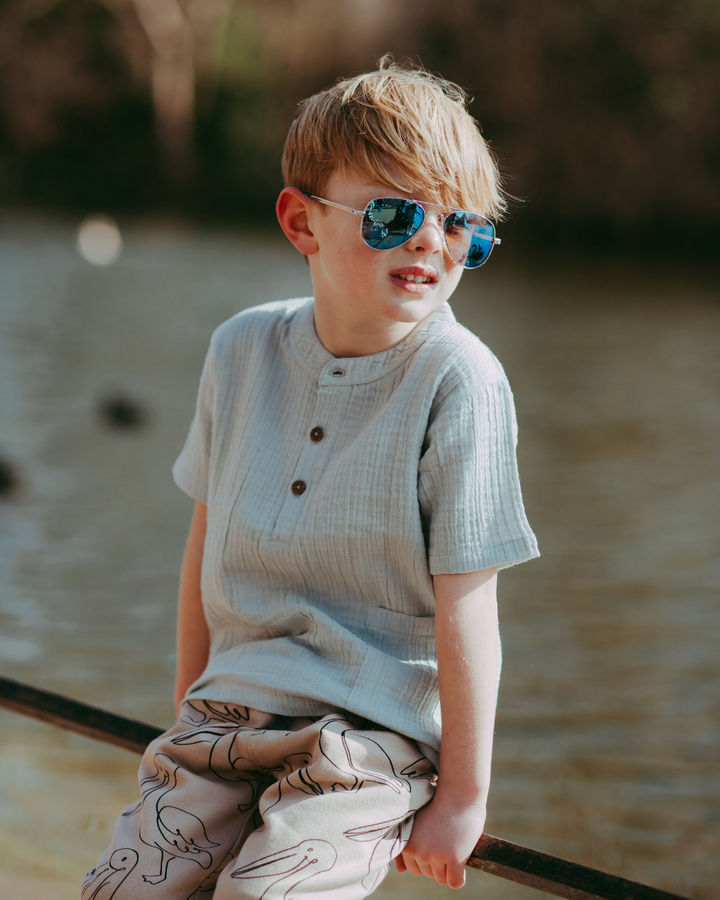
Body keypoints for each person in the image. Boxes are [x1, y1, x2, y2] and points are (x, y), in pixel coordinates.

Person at [82, 59, 539, 900]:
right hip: (229, 714)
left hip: (374, 737)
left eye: (462, 227)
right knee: (122, 892)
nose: (431, 243)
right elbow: (204, 551)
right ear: (303, 222)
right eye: (395, 214)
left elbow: (470, 602)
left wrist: (463, 798)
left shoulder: (460, 379)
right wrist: (188, 715)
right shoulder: (240, 349)